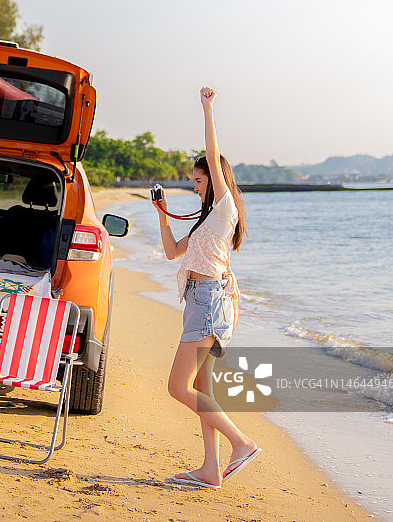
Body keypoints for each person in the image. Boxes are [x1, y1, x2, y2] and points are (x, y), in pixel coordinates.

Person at [153, 87, 259, 489]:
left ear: (214, 180)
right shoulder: (206, 221)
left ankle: (242, 442)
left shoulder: (225, 207)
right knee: (201, 388)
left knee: (177, 387)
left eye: (199, 181)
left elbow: (213, 156)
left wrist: (207, 107)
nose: (196, 186)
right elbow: (171, 252)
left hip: (209, 306)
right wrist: (162, 214)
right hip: (206, 303)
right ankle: (211, 469)